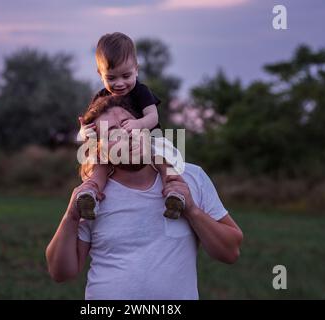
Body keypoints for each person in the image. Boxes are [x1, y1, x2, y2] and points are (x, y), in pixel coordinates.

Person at [46, 95, 243, 300]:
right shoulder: (91, 197)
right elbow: (61, 273)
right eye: (112, 132)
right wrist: (70, 217)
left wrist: (192, 211)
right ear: (99, 149)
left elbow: (231, 252)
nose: (126, 134)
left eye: (127, 123)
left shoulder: (190, 177)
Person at [76, 32, 185, 220]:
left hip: (148, 139)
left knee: (162, 159)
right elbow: (88, 125)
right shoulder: (101, 98)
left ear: (136, 69)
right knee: (100, 163)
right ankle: (90, 194)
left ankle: (174, 191)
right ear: (100, 74)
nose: (119, 84)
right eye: (111, 78)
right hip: (115, 146)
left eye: (126, 75)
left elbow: (152, 116)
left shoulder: (141, 92)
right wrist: (84, 132)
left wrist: (138, 124)